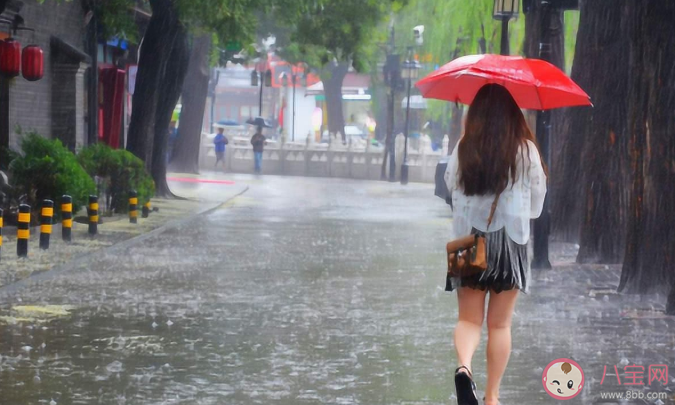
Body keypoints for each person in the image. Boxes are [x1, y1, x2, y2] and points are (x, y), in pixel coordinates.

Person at [443, 84, 547, 405]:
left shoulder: (463, 147)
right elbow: (537, 202)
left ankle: (464, 369)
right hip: (510, 242)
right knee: (499, 324)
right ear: (511, 115)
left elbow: (450, 187)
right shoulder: (525, 150)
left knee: (468, 320)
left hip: (466, 239)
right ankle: (491, 397)